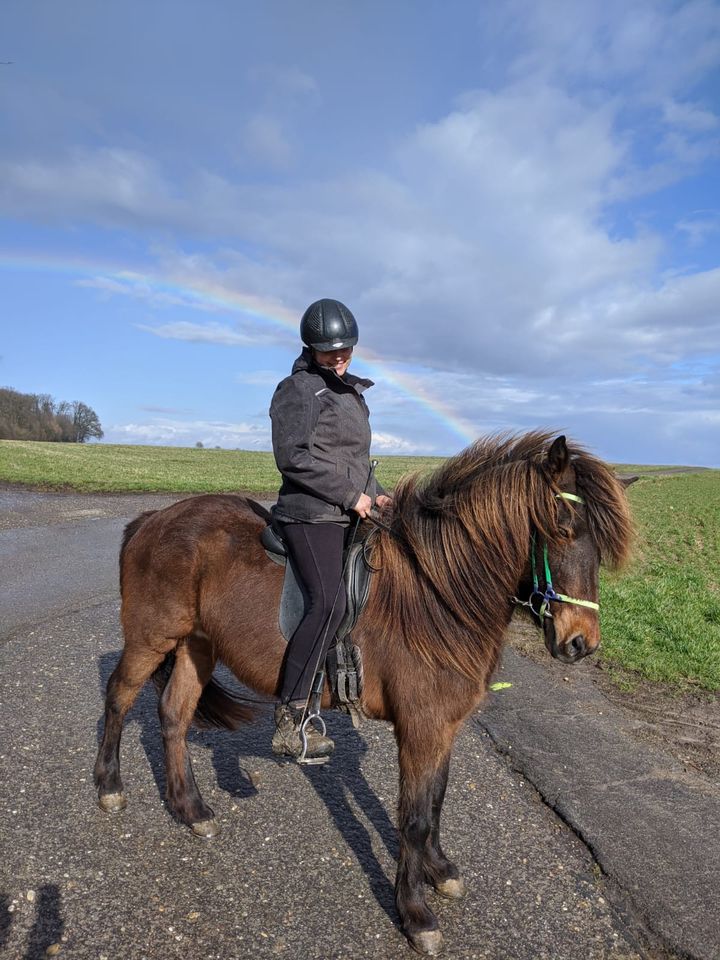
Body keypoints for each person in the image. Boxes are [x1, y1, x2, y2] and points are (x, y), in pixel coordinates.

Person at [269, 298, 392, 761]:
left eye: (345, 350)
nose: (339, 358)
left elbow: (354, 461)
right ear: (310, 348)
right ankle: (290, 717)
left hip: (345, 509)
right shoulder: (298, 390)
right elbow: (294, 458)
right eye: (329, 352)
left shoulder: (349, 392)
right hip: (309, 513)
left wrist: (376, 493)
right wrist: (350, 497)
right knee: (329, 601)